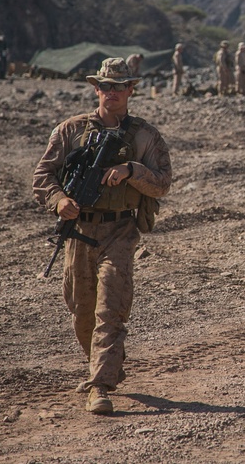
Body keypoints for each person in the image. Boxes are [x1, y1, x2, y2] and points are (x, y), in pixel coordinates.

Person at [32, 57, 172, 415]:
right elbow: (43, 175)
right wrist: (59, 199)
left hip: (120, 231)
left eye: (119, 86)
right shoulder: (70, 131)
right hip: (79, 231)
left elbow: (162, 184)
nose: (112, 93)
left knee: (111, 309)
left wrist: (131, 170)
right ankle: (105, 364)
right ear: (96, 88)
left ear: (131, 90)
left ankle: (100, 385)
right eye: (106, 86)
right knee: (82, 311)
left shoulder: (144, 135)